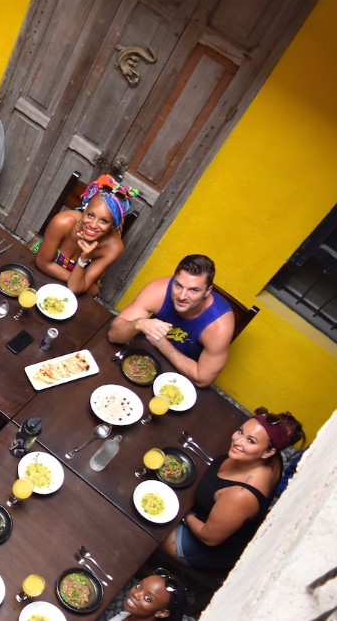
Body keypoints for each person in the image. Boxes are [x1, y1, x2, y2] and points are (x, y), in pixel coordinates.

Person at [158, 411, 303, 570]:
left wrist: (184, 515)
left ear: (268, 452)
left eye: (250, 441)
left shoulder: (241, 495)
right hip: (211, 513)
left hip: (200, 545)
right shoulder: (271, 456)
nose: (237, 440)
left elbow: (208, 537)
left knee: (148, 524)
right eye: (241, 431)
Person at [108, 254, 234, 387]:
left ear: (208, 291)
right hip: (139, 357)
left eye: (194, 290)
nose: (182, 296)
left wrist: (162, 343)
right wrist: (139, 323)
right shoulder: (158, 291)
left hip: (176, 376)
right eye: (178, 285)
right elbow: (113, 335)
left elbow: (202, 379)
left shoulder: (219, 325)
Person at [35, 174, 136, 296]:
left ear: (113, 224)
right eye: (90, 215)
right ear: (84, 210)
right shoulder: (63, 222)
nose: (93, 225)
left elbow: (74, 289)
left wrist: (84, 259)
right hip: (38, 273)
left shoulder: (113, 248)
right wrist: (85, 286)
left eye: (104, 221)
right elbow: (43, 263)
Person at [104, 570, 185, 621]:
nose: (136, 594)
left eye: (147, 598)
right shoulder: (126, 616)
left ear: (162, 612)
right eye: (139, 587)